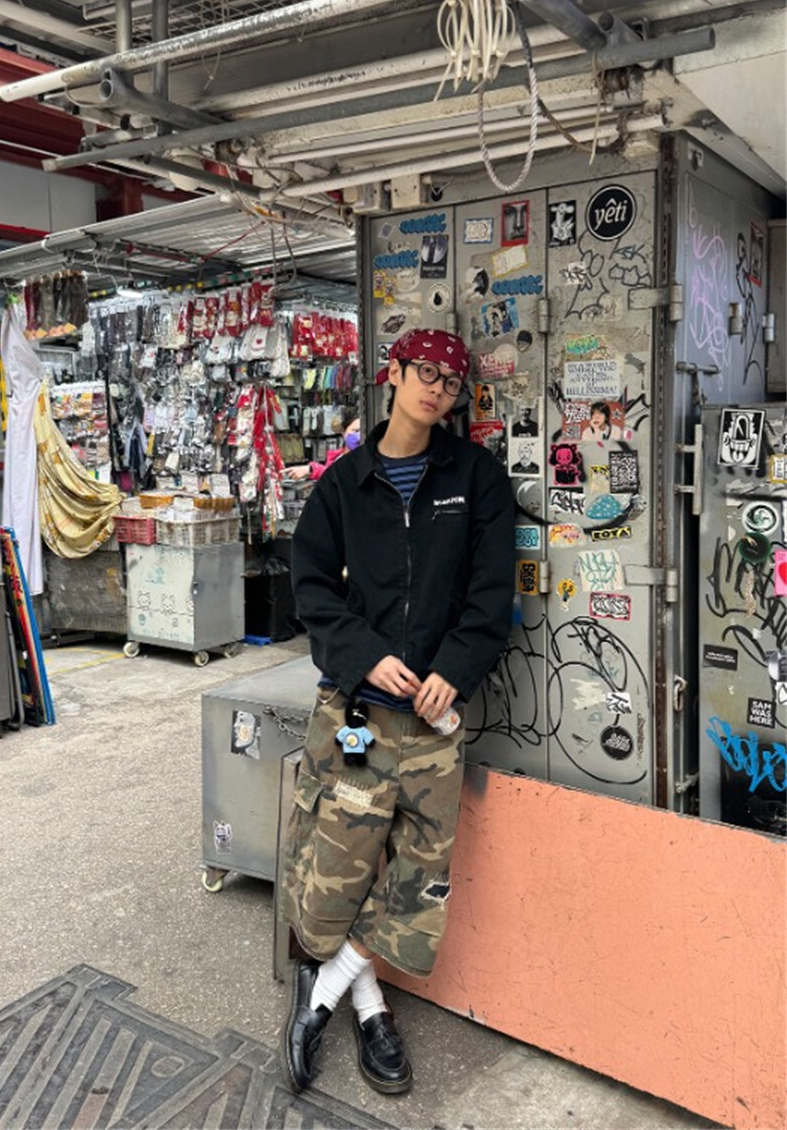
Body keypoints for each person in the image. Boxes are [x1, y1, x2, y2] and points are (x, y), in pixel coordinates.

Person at [280, 327, 515, 1097]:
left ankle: (321, 996)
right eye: (425, 373)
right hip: (357, 716)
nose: (436, 390)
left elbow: (491, 591)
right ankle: (370, 1008)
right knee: (337, 866)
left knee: (418, 878)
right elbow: (311, 585)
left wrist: (456, 666)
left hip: (433, 725)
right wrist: (361, 653)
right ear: (395, 374)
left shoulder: (474, 477)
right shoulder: (344, 484)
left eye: (450, 382)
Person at [284, 417, 360, 481]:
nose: (359, 436)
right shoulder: (336, 456)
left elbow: (343, 477)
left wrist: (312, 470)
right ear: (344, 432)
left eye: (362, 432)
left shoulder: (363, 457)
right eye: (356, 431)